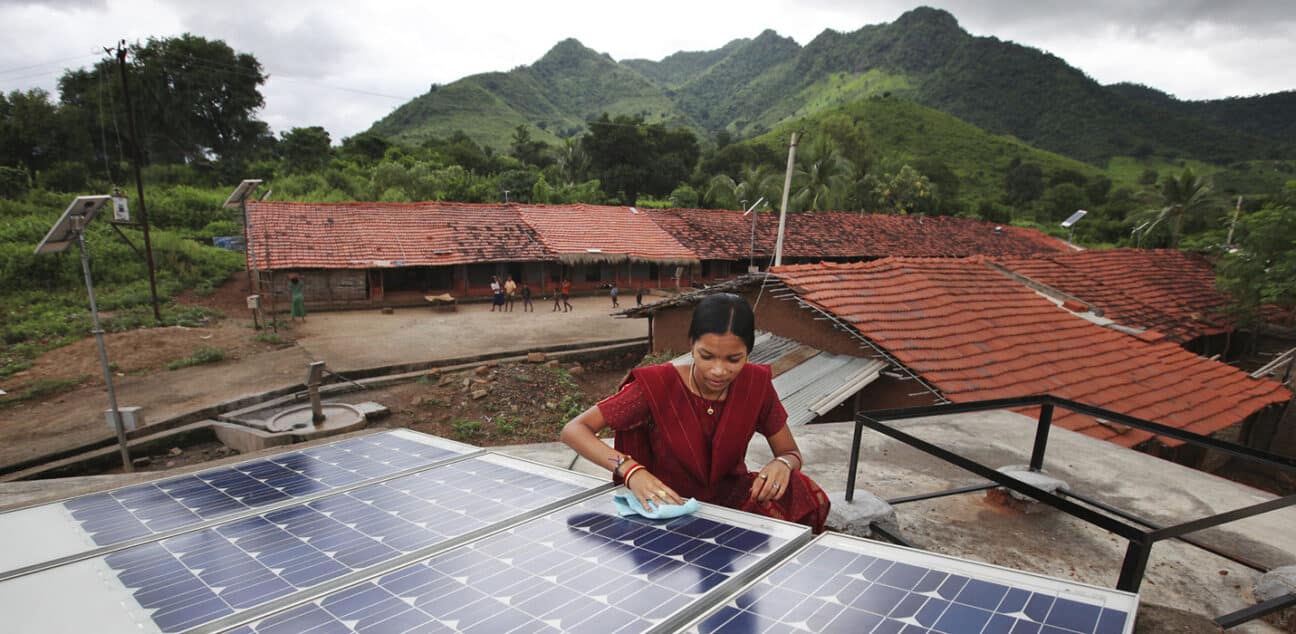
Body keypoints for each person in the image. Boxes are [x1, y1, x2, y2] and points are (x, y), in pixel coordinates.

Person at [561, 293, 830, 533]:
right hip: (667, 502)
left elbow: (790, 453)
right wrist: (631, 471)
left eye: (733, 359)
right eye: (707, 356)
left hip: (732, 500)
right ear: (691, 345)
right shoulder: (656, 387)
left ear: (748, 352)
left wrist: (782, 464)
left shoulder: (755, 385)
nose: (719, 370)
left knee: (800, 487)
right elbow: (575, 430)